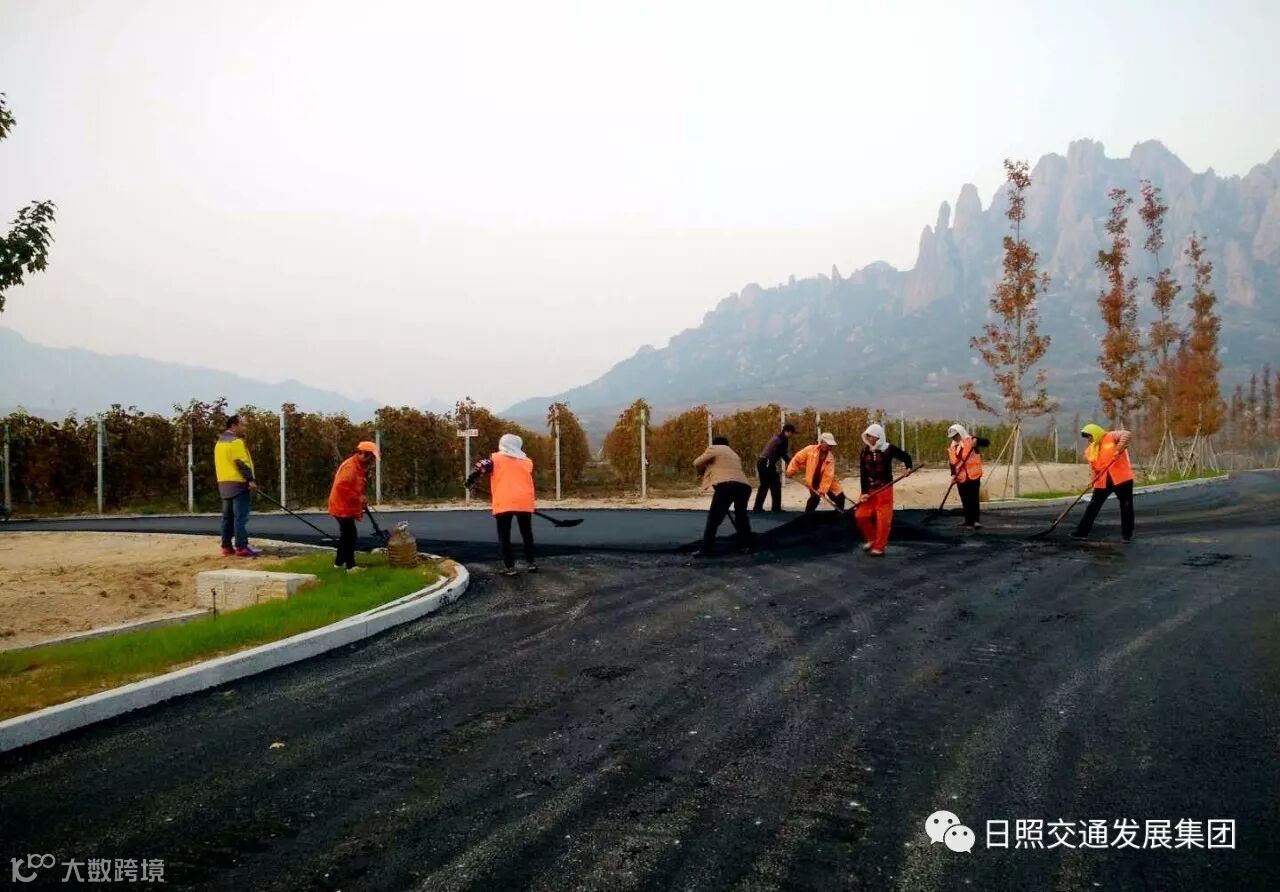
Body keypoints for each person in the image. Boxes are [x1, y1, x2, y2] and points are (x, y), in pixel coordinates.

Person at [466, 433, 538, 576]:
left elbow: (480, 467)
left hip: (504, 501)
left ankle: (510, 567)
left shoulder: (495, 459)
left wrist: (470, 480)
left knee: (504, 535)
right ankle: (531, 563)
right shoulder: (527, 461)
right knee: (526, 533)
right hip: (524, 501)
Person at [855, 422, 913, 556]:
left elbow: (906, 457)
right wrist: (864, 492)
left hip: (885, 488)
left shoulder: (888, 449)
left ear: (879, 437)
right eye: (868, 436)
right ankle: (871, 538)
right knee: (860, 515)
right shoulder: (864, 452)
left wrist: (908, 468)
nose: (870, 438)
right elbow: (863, 473)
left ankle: (879, 547)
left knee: (883, 519)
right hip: (869, 489)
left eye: (872, 436)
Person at [693, 435, 754, 556]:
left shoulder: (714, 448)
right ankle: (746, 545)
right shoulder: (734, 454)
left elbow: (696, 462)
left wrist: (705, 466)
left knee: (713, 518)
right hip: (744, 487)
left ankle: (706, 549)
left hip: (726, 486)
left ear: (715, 443)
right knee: (741, 516)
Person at [1072, 423, 1135, 542]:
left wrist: (1118, 449)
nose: (1089, 439)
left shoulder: (1110, 436)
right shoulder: (1090, 450)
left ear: (1095, 433)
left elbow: (1127, 434)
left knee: (1126, 506)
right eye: (1087, 437)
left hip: (1121, 478)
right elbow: (1093, 468)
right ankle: (1081, 533)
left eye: (1089, 436)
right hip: (1103, 480)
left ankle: (1127, 535)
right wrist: (1092, 481)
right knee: (1093, 506)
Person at [328, 440, 379, 572]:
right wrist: (358, 497)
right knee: (350, 535)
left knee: (346, 535)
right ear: (362, 454)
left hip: (345, 505)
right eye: (371, 458)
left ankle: (339, 563)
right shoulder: (350, 467)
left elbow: (354, 485)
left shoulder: (358, 466)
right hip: (341, 506)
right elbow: (341, 487)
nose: (371, 461)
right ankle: (351, 566)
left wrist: (360, 498)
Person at [214, 415, 259, 557]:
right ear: (234, 426)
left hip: (224, 483)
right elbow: (241, 462)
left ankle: (226, 546)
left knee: (227, 517)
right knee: (240, 517)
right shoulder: (236, 442)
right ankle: (242, 547)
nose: (244, 428)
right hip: (238, 484)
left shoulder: (219, 442)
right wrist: (250, 480)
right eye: (242, 425)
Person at [786, 432, 845, 513]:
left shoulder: (830, 457)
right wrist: (790, 471)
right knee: (815, 498)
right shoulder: (810, 450)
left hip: (828, 481)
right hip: (813, 480)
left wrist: (822, 490)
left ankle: (839, 515)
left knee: (840, 497)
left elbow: (828, 476)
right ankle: (807, 515)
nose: (830, 447)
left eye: (831, 445)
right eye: (828, 444)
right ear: (822, 442)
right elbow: (797, 459)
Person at [947, 424, 990, 529]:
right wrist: (953, 475)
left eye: (956, 436)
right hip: (960, 478)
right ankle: (968, 520)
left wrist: (977, 441)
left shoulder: (971, 441)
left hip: (973, 476)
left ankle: (976, 520)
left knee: (973, 498)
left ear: (960, 432)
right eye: (953, 437)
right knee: (965, 499)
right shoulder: (952, 447)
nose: (955, 438)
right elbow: (952, 464)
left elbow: (986, 442)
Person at [753, 423, 796, 513]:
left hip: (764, 462)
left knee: (768, 485)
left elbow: (781, 454)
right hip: (766, 462)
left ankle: (759, 508)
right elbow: (783, 455)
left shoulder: (778, 437)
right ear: (787, 431)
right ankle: (774, 508)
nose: (792, 435)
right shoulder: (781, 440)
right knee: (772, 485)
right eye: (792, 433)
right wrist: (793, 464)